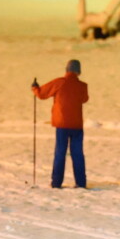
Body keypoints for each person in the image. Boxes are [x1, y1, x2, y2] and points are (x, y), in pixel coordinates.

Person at [32, 60, 89, 189]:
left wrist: (35, 88)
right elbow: (84, 99)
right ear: (78, 71)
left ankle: (56, 183)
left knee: (60, 153)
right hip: (77, 125)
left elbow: (41, 94)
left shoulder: (59, 82)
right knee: (78, 154)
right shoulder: (83, 86)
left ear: (66, 69)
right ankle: (81, 183)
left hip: (62, 124)